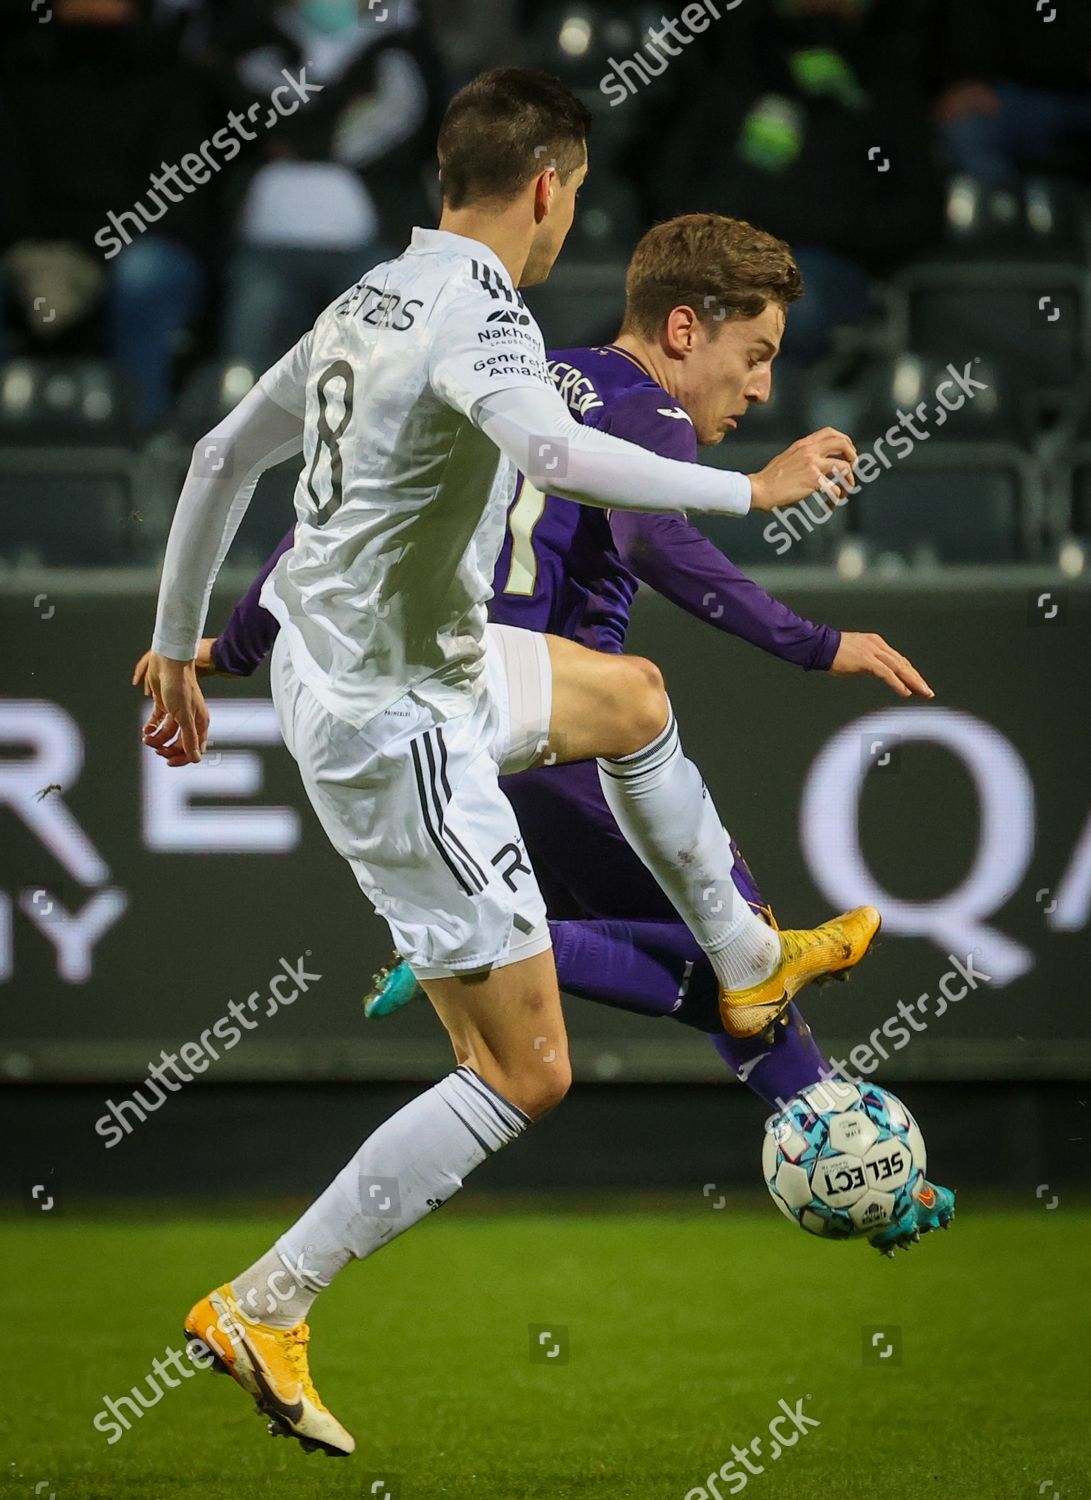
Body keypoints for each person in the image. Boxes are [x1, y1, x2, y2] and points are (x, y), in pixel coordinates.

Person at [141, 70, 883, 1458]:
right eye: (577, 196)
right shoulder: (484, 312)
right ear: (547, 187)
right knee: (523, 1071)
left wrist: (184, 642)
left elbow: (216, 454)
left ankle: (745, 957)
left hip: (389, 660)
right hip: (392, 717)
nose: (570, 220)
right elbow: (551, 446)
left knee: (626, 697)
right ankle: (270, 1301)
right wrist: (752, 489)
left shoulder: (367, 298)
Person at [140, 211, 953, 1252]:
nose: (757, 389)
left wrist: (237, 645)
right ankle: (491, 952)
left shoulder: (508, 363)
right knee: (740, 949)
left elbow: (325, 525)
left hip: (458, 723)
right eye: (751, 356)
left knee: (735, 976)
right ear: (677, 332)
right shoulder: (645, 415)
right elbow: (653, 541)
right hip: (555, 729)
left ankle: (845, 1152)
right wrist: (811, 640)